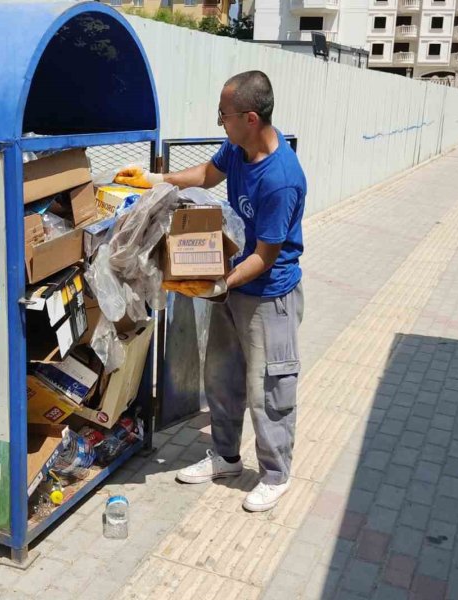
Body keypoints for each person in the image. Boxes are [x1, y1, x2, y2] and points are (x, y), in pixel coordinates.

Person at [116, 70, 306, 512]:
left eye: (224, 115)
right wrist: (154, 178)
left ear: (251, 118)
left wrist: (220, 282)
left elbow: (266, 255)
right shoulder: (239, 149)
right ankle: (225, 457)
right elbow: (207, 173)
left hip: (268, 296)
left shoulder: (281, 179)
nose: (220, 122)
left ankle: (276, 474)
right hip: (233, 288)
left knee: (269, 389)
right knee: (221, 377)